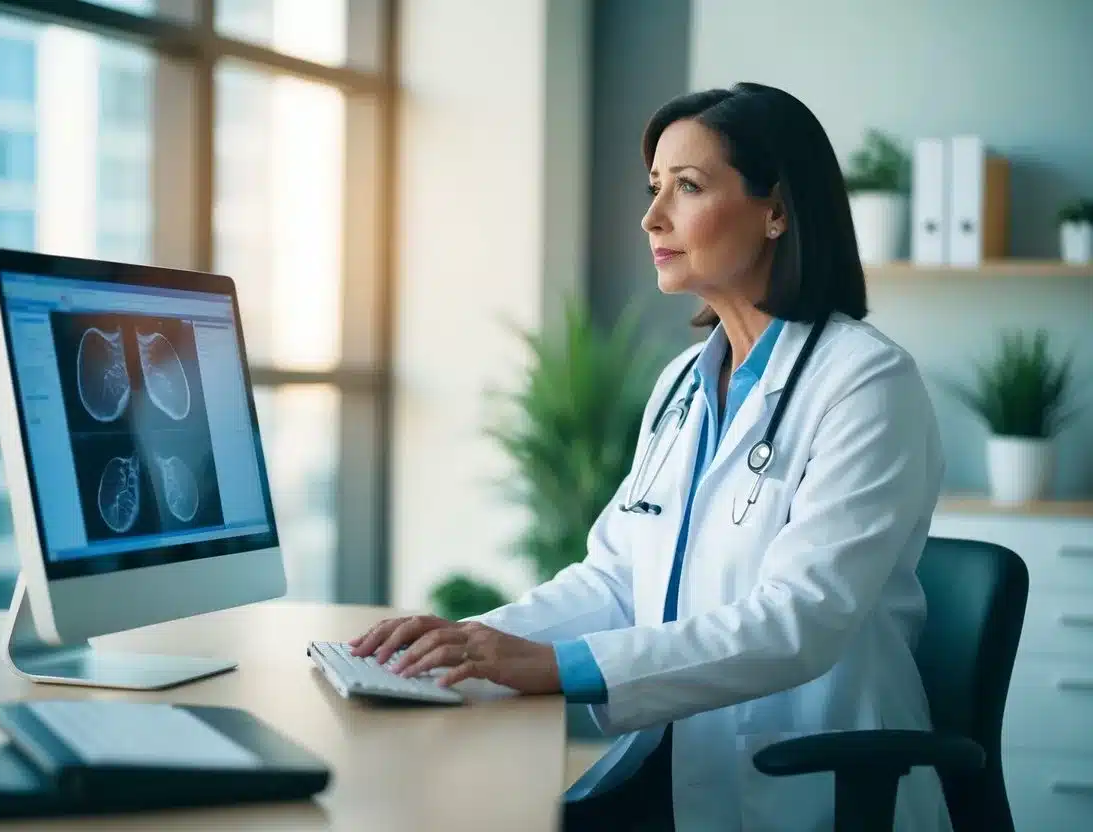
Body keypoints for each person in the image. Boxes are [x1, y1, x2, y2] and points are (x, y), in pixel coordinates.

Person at [350, 82, 951, 832]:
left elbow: (801, 620)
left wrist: (556, 667)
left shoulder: (864, 381)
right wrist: (464, 645)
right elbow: (614, 575)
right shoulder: (681, 382)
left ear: (777, 211)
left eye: (688, 187)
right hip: (671, 762)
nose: (651, 216)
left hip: (804, 781)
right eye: (653, 187)